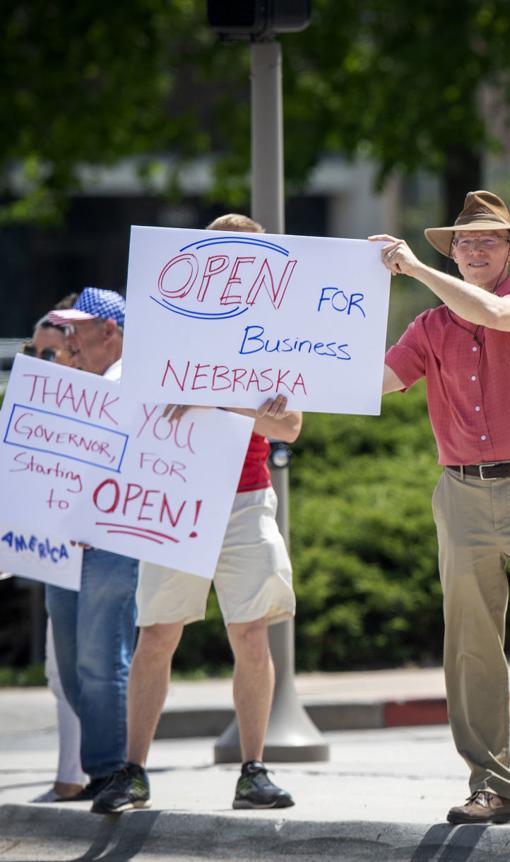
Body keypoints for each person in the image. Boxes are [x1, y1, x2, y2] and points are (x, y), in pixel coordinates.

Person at [372, 191, 510, 826]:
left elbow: (497, 314)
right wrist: (285, 384)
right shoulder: (429, 327)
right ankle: (491, 786)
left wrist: (414, 269)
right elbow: (381, 381)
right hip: (461, 491)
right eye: (463, 243)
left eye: (486, 241)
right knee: (470, 643)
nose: (473, 251)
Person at [91, 214, 299, 815]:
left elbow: (290, 425)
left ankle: (253, 770)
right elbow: (131, 403)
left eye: (253, 256)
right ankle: (133, 772)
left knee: (251, 631)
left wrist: (214, 394)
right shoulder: (167, 330)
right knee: (157, 633)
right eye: (229, 253)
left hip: (246, 497)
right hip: (175, 496)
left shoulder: (277, 334)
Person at [42, 288, 140, 800]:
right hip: (62, 542)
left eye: (76, 329)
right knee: (73, 664)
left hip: (112, 541)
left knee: (100, 661)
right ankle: (105, 766)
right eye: (64, 329)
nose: (67, 339)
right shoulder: (70, 385)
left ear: (111, 332)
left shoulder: (136, 382)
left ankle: (109, 772)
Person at [22, 303, 87, 804]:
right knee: (57, 667)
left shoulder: (101, 396)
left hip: (91, 547)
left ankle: (80, 775)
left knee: (85, 666)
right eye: (33, 351)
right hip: (51, 546)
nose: (40, 360)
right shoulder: (37, 403)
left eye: (50, 351)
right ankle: (71, 773)